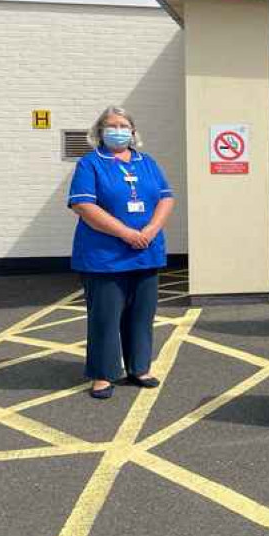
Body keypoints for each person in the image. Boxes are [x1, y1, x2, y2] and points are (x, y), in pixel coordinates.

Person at [67, 107, 175, 399]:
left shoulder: (147, 162)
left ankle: (139, 368)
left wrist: (151, 229)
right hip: (105, 256)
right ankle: (103, 374)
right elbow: (84, 206)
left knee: (142, 315)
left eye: (124, 125)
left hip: (146, 252)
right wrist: (126, 233)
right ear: (99, 132)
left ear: (133, 132)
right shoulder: (90, 164)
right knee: (105, 317)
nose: (119, 130)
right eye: (112, 125)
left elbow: (165, 197)